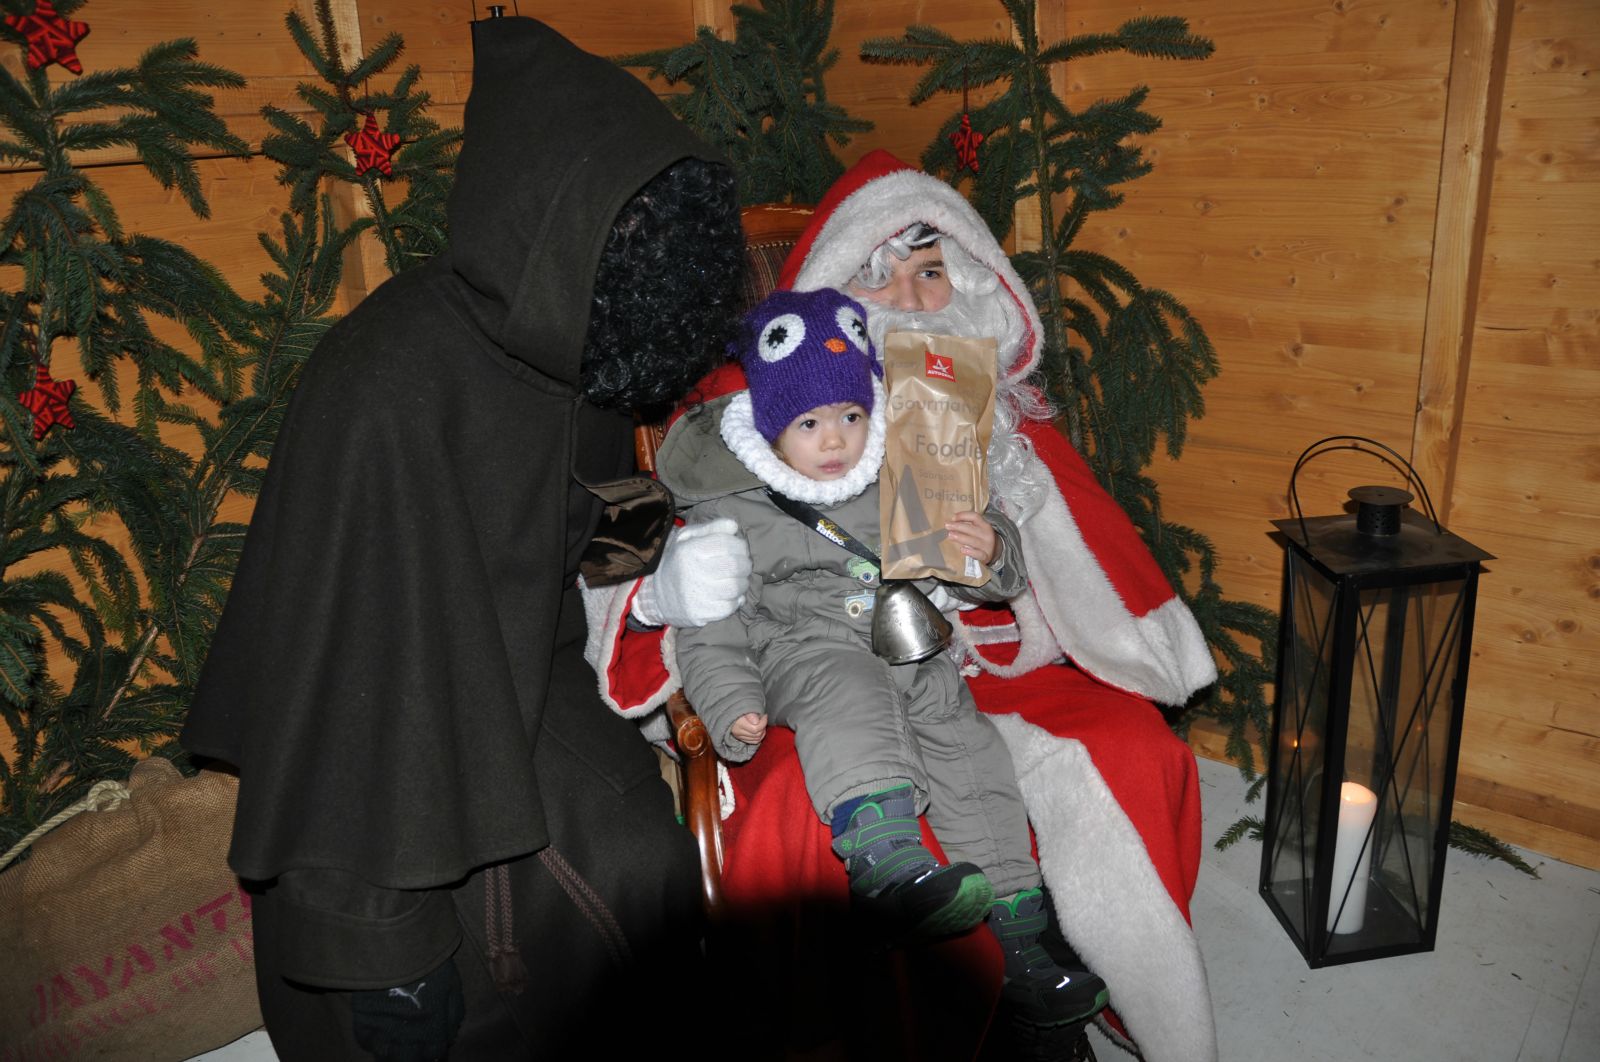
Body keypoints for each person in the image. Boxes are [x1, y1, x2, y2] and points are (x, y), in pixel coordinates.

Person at [181, 15, 746, 1058]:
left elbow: (587, 526)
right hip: (396, 775)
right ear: (550, 222)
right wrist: (381, 957)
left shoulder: (575, 346)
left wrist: (662, 570)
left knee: (645, 868)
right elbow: (342, 697)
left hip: (530, 682)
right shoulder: (389, 392)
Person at [586, 150, 1219, 1062]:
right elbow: (640, 537)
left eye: (930, 272)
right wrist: (662, 592)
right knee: (824, 791)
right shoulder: (758, 409)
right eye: (878, 278)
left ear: (972, 282)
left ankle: (1054, 983)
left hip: (991, 653)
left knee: (1130, 747)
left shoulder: (994, 407)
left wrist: (993, 555)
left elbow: (1080, 557)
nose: (914, 303)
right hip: (820, 654)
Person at [673, 287, 1110, 1027]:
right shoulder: (732, 505)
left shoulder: (905, 466)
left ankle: (1021, 938)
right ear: (773, 428)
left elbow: (981, 559)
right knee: (849, 690)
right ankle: (886, 864)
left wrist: (987, 547)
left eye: (850, 416)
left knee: (969, 745)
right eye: (809, 424)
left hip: (908, 640)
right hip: (803, 648)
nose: (835, 440)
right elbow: (707, 622)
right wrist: (729, 702)